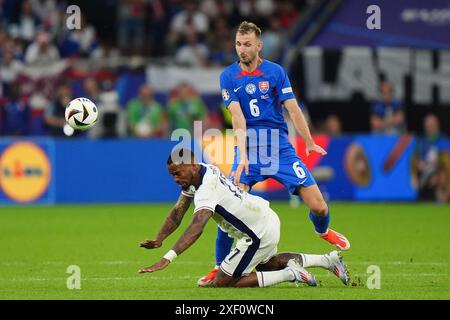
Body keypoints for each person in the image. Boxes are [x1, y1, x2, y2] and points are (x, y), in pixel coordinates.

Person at [198, 21, 350, 286]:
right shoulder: (228, 77)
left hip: (280, 149)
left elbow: (293, 109)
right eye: (238, 44)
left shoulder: (276, 72)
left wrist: (309, 142)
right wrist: (243, 156)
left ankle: (323, 231)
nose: (241, 50)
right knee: (226, 208)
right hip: (250, 151)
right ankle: (217, 267)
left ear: (259, 45)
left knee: (319, 205)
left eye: (247, 44)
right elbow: (238, 118)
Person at [138, 148, 349, 288]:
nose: (175, 178)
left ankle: (291, 274)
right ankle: (327, 260)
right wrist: (160, 238)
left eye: (177, 173)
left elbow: (197, 227)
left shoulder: (207, 188)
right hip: (264, 218)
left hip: (257, 233)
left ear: (192, 165)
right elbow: (178, 212)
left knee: (223, 282)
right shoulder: (200, 172)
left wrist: (168, 257)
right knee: (268, 265)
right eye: (172, 175)